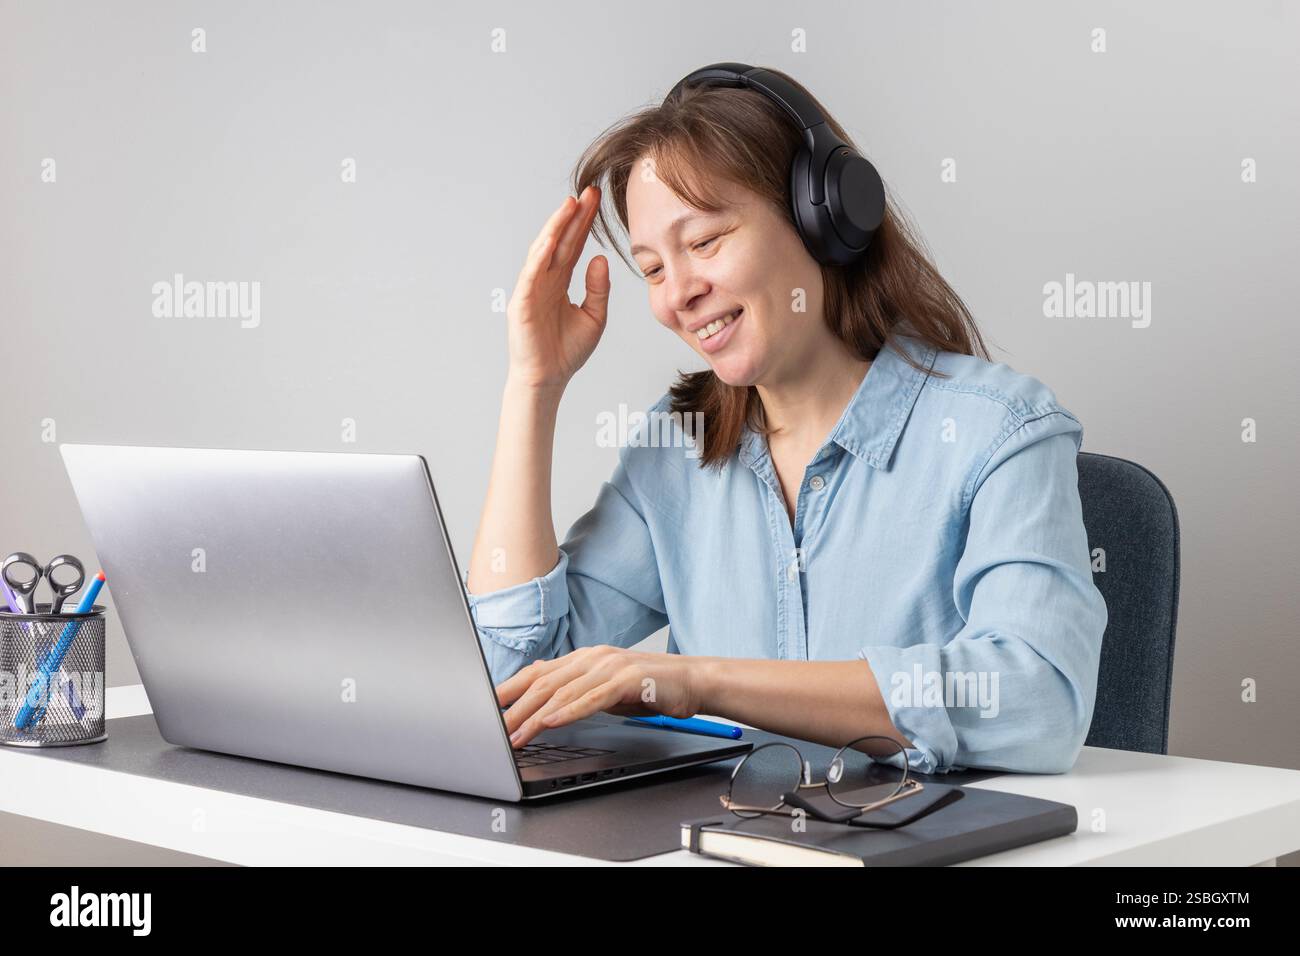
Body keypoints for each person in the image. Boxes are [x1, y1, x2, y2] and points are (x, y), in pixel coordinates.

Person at [463, 67, 1106, 775]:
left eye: (705, 241)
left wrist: (701, 683)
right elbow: (509, 681)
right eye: (651, 268)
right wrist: (535, 385)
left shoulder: (1000, 433)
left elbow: (1040, 699)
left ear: (822, 219)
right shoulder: (675, 452)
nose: (679, 294)